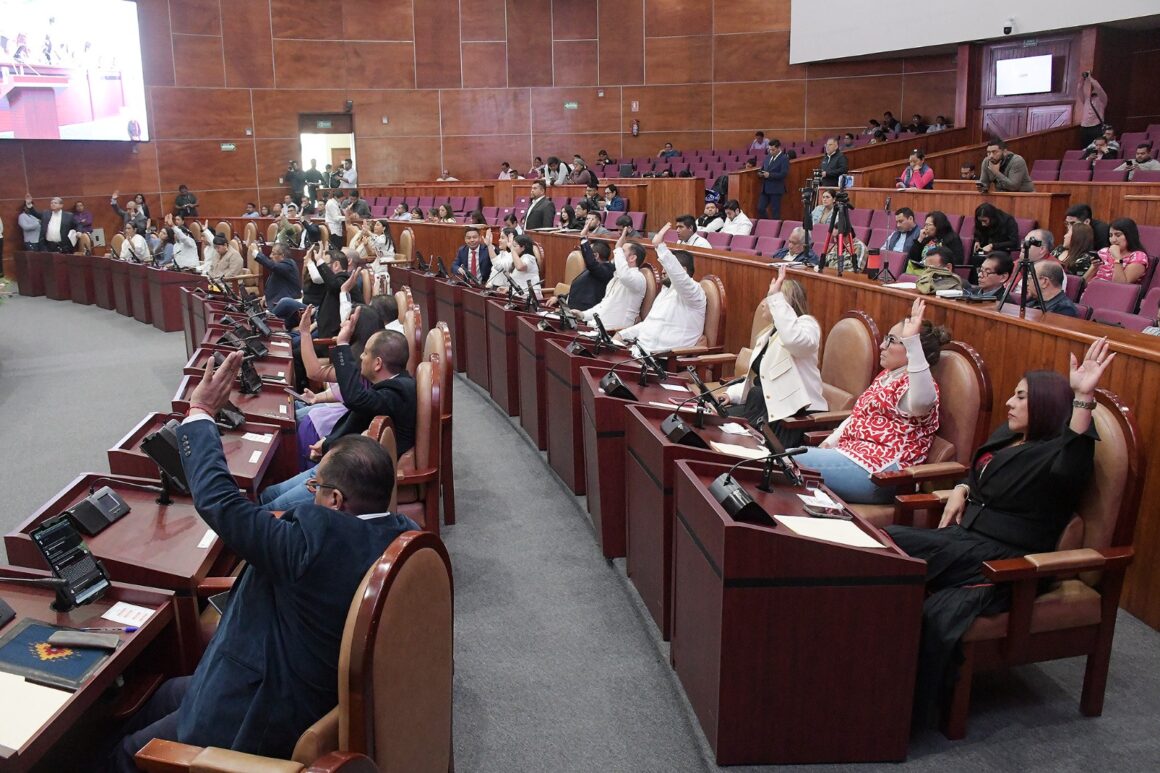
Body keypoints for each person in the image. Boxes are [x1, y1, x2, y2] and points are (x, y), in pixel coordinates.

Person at [108, 351, 418, 773]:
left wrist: (200, 412)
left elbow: (220, 503)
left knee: (127, 751)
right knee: (163, 695)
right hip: (306, 680)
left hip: (262, 707)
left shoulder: (316, 542)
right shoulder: (400, 534)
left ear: (335, 500)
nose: (309, 494)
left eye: (314, 485)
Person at [885, 338, 1114, 723]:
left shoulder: (1058, 453)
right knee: (886, 541)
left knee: (933, 603)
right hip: (967, 540)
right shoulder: (1009, 437)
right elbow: (980, 477)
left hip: (1005, 560)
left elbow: (1071, 465)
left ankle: (900, 712)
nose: (1010, 403)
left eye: (1022, 397)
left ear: (1046, 405)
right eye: (1013, 395)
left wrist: (1083, 397)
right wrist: (961, 489)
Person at [795, 299, 948, 504]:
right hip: (852, 456)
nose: (882, 345)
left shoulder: (920, 385)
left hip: (882, 475)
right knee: (782, 463)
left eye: (892, 340)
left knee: (786, 462)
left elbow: (921, 402)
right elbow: (859, 415)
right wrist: (830, 442)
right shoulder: (888, 375)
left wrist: (912, 342)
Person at [261, 311, 417, 510]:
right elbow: (358, 418)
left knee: (268, 510)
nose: (361, 356)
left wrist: (343, 344)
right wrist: (328, 443)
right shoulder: (392, 386)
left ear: (377, 363)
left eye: (366, 353)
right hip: (341, 460)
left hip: (348, 479)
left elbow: (356, 399)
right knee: (267, 494)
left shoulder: (398, 391)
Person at [722, 264, 827, 445]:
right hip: (766, 407)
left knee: (734, 441)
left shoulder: (807, 326)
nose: (764, 302)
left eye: (770, 297)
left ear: (785, 304)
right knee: (715, 422)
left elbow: (794, 341)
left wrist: (776, 299)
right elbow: (762, 380)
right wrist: (732, 394)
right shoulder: (769, 333)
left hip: (794, 416)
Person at [616, 224, 706, 351]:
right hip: (639, 352)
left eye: (667, 268)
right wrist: (621, 335)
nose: (662, 271)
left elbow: (679, 277)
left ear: (683, 270)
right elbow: (649, 325)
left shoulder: (695, 292)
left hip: (666, 361)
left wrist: (660, 246)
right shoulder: (665, 291)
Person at [579, 229, 646, 330]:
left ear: (632, 258)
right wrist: (583, 315)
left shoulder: (638, 278)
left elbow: (625, 276)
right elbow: (604, 306)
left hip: (613, 333)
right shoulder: (617, 277)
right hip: (596, 328)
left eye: (622, 251)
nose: (616, 253)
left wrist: (618, 248)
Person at [548, 222, 614, 311]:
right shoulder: (594, 269)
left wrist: (583, 238)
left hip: (582, 314)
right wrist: (559, 298)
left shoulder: (606, 270)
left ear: (595, 256)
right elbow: (579, 290)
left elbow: (591, 264)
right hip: (568, 310)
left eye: (588, 253)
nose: (585, 256)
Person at [1089, 218, 1148, 284]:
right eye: (1111, 235)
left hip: (1113, 293)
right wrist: (1094, 267)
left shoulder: (1138, 256)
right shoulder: (1103, 251)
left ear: (1129, 235)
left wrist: (1117, 258)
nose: (1113, 240)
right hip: (1091, 291)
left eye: (1118, 235)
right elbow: (1083, 284)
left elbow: (1120, 285)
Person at [251, 241, 301, 308]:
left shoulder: (289, 265)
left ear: (282, 255)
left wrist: (255, 253)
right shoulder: (280, 266)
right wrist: (266, 296)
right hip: (275, 302)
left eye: (273, 253)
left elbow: (272, 266)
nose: (270, 256)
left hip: (284, 306)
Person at [492, 233, 541, 298]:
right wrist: (507, 289)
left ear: (523, 248)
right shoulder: (519, 258)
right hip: (519, 296)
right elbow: (520, 283)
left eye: (515, 246)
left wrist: (512, 249)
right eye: (512, 246)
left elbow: (520, 267)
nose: (513, 248)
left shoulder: (529, 258)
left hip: (530, 298)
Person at [756, 140, 789, 219]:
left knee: (775, 212)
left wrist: (770, 175)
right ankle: (767, 224)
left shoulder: (784, 158)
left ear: (778, 148)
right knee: (760, 208)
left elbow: (783, 174)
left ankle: (775, 229)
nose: (771, 151)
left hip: (776, 188)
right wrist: (760, 173)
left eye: (773, 150)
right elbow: (763, 168)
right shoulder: (768, 157)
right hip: (765, 188)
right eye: (769, 149)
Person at [1077, 72, 1108, 148]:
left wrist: (1090, 77)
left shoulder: (1102, 99)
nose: (1093, 91)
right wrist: (1082, 79)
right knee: (1085, 148)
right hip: (1084, 127)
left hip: (1096, 127)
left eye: (1095, 91)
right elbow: (1079, 89)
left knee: (1097, 148)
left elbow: (1099, 88)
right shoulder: (1087, 99)